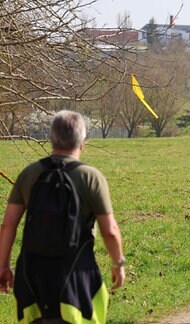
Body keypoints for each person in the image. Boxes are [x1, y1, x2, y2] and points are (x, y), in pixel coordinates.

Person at [0, 110, 125, 323]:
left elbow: (8, 225)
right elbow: (110, 231)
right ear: (82, 142)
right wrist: (118, 264)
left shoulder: (29, 174)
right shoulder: (91, 177)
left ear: (51, 139)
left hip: (32, 275)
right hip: (76, 274)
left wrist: (3, 266)